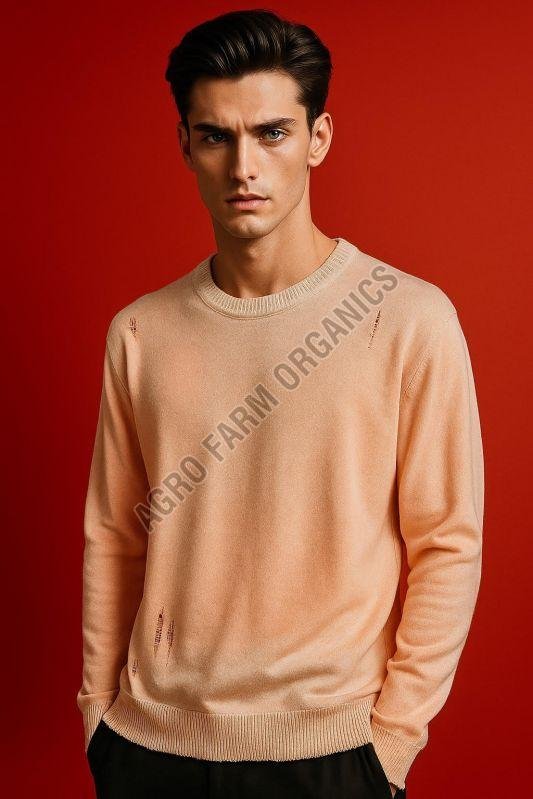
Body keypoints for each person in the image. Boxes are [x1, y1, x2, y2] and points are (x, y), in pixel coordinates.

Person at [77, 9, 484, 799]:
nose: (243, 167)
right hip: (151, 748)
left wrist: (392, 738)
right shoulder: (141, 332)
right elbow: (113, 533)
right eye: (215, 136)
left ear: (317, 138)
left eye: (271, 133)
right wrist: (98, 708)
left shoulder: (406, 318)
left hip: (332, 754)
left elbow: (447, 541)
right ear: (185, 145)